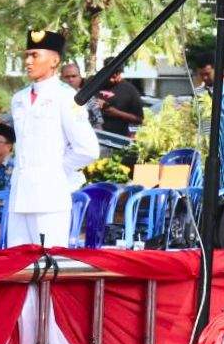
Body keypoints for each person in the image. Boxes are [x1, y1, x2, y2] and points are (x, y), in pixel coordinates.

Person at [8, 30, 100, 248]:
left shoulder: (66, 97)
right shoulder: (19, 99)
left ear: (54, 61)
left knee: (48, 267)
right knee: (17, 268)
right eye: (26, 56)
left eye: (35, 55)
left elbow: (87, 149)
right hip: (20, 194)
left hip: (49, 196)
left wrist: (55, 171)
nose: (28, 61)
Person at [95, 67, 145, 139]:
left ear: (119, 73)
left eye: (113, 76)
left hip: (118, 139)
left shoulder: (130, 90)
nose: (110, 79)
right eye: (107, 76)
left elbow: (139, 119)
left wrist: (116, 113)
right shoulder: (99, 85)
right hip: (97, 136)